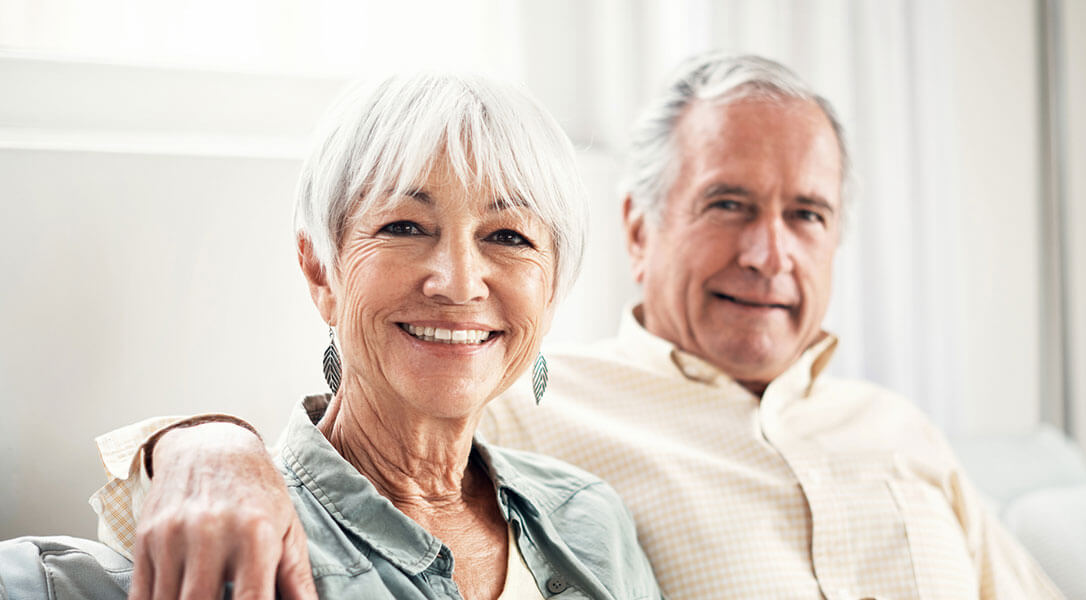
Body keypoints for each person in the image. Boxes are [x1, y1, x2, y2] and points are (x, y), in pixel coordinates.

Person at [82, 53, 1063, 599]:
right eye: (728, 204)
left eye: (806, 214)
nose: (771, 253)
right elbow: (353, 440)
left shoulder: (898, 429)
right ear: (639, 229)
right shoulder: (538, 402)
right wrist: (199, 444)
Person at [0, 73, 663, 600]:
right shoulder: (242, 527)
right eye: (406, 226)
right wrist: (197, 444)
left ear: (551, 290)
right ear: (322, 268)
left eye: (508, 236)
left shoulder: (591, 518)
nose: (458, 282)